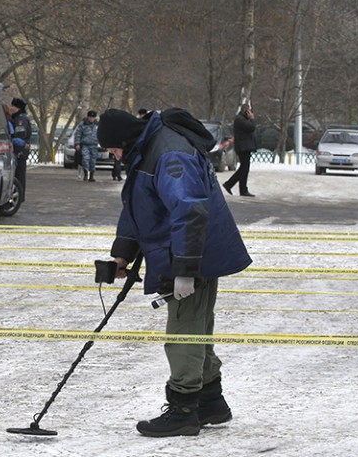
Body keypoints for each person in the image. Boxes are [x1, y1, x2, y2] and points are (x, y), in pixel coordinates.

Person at [97, 107, 252, 438]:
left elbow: (190, 210)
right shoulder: (147, 148)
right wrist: (122, 254)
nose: (113, 155)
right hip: (189, 253)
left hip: (196, 255)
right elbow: (139, 206)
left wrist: (185, 271)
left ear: (124, 139)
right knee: (195, 330)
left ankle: (183, 412)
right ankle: (211, 403)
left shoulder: (168, 153)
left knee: (183, 332)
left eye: (112, 148)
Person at [222, 103, 257, 197]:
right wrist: (252, 118)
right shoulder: (240, 119)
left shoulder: (243, 119)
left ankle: (242, 189)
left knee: (244, 168)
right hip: (243, 147)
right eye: (249, 111)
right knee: (244, 168)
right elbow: (251, 127)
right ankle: (230, 184)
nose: (251, 113)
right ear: (246, 111)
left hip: (245, 146)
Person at [8, 97, 32, 202]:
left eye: (13, 106)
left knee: (19, 174)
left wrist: (13, 138)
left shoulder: (20, 119)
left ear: (18, 108)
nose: (11, 108)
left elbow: (19, 136)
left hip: (20, 151)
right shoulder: (18, 117)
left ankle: (19, 196)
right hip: (20, 149)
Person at [75, 110, 100, 182]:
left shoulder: (97, 125)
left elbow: (102, 135)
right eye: (90, 117)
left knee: (93, 161)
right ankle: (86, 174)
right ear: (88, 117)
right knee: (85, 160)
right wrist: (77, 144)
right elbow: (78, 135)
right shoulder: (83, 125)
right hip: (85, 145)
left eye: (93, 117)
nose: (91, 118)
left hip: (94, 145)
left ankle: (91, 176)